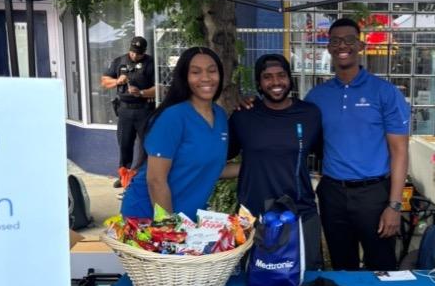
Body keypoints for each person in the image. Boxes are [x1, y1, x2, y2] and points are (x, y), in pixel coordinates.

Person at [306, 18, 410, 271]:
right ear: (329, 47)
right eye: (336, 40)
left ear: (360, 46)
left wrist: (394, 206)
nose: (343, 46)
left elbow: (400, 151)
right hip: (332, 194)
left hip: (374, 195)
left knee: (382, 270)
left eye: (350, 40)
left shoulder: (384, 92)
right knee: (343, 269)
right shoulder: (316, 96)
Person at [227, 53, 324, 269]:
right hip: (252, 215)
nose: (276, 82)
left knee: (302, 279)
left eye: (281, 75)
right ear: (259, 84)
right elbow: (219, 158)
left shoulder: (310, 114)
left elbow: (326, 156)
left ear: (290, 79)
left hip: (300, 212)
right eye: (267, 77)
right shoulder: (243, 116)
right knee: (251, 280)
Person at [121, 47, 236, 219]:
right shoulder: (172, 117)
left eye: (212, 71)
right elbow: (156, 181)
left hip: (187, 219)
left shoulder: (219, 115)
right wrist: (168, 230)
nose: (206, 78)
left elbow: (210, 168)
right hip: (147, 218)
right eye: (196, 72)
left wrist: (258, 164)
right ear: (184, 78)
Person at [101, 36, 156, 188]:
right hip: (124, 110)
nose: (134, 56)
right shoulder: (120, 61)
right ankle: (123, 175)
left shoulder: (150, 63)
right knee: (124, 144)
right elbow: (104, 81)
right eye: (132, 52)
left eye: (138, 53)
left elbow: (159, 88)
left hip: (144, 109)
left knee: (146, 145)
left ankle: (142, 176)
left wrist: (142, 93)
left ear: (144, 52)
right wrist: (118, 81)